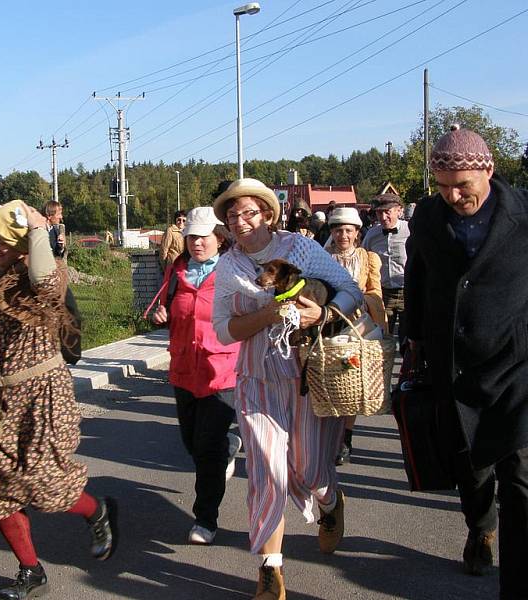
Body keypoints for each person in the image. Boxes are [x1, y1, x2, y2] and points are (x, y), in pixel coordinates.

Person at [0, 200, 117, 600]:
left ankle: (97, 510)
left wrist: (39, 230)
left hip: (42, 396)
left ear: (20, 242)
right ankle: (31, 571)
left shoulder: (40, 275)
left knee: (43, 482)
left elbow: (46, 281)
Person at [212, 178, 362, 599]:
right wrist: (268, 315)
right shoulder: (229, 268)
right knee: (267, 472)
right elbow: (224, 332)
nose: (239, 222)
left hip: (305, 378)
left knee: (309, 468)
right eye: (231, 215)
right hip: (257, 380)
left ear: (267, 213)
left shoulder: (299, 249)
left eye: (248, 213)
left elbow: (350, 291)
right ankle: (270, 567)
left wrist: (324, 312)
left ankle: (331, 501)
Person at [404, 126, 528, 600]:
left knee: (520, 478)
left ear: (489, 173)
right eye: (443, 186)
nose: (454, 196)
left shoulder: (523, 214)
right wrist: (412, 338)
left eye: (464, 186)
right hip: (454, 364)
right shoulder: (429, 218)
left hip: (517, 363)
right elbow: (418, 277)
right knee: (472, 469)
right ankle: (481, 528)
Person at [149, 206, 241, 546]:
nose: (196, 243)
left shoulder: (233, 271)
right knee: (191, 444)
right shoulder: (177, 270)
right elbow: (167, 310)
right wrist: (161, 316)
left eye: (202, 237)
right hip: (184, 370)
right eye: (191, 237)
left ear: (219, 238)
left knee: (207, 448)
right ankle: (230, 445)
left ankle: (205, 519)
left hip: (222, 371)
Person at [324, 207, 386, 466]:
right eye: (338, 230)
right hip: (328, 327)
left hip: (357, 328)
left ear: (357, 232)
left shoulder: (367, 258)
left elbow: (375, 291)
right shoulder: (322, 257)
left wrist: (365, 304)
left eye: (348, 230)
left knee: (351, 383)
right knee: (328, 384)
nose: (343, 235)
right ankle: (327, 436)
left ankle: (345, 439)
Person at [361, 193, 409, 337]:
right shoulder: (372, 234)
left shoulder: (411, 230)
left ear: (399, 210)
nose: (383, 217)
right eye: (379, 213)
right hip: (382, 293)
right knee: (381, 335)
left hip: (407, 291)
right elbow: (364, 260)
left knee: (409, 339)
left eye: (387, 212)